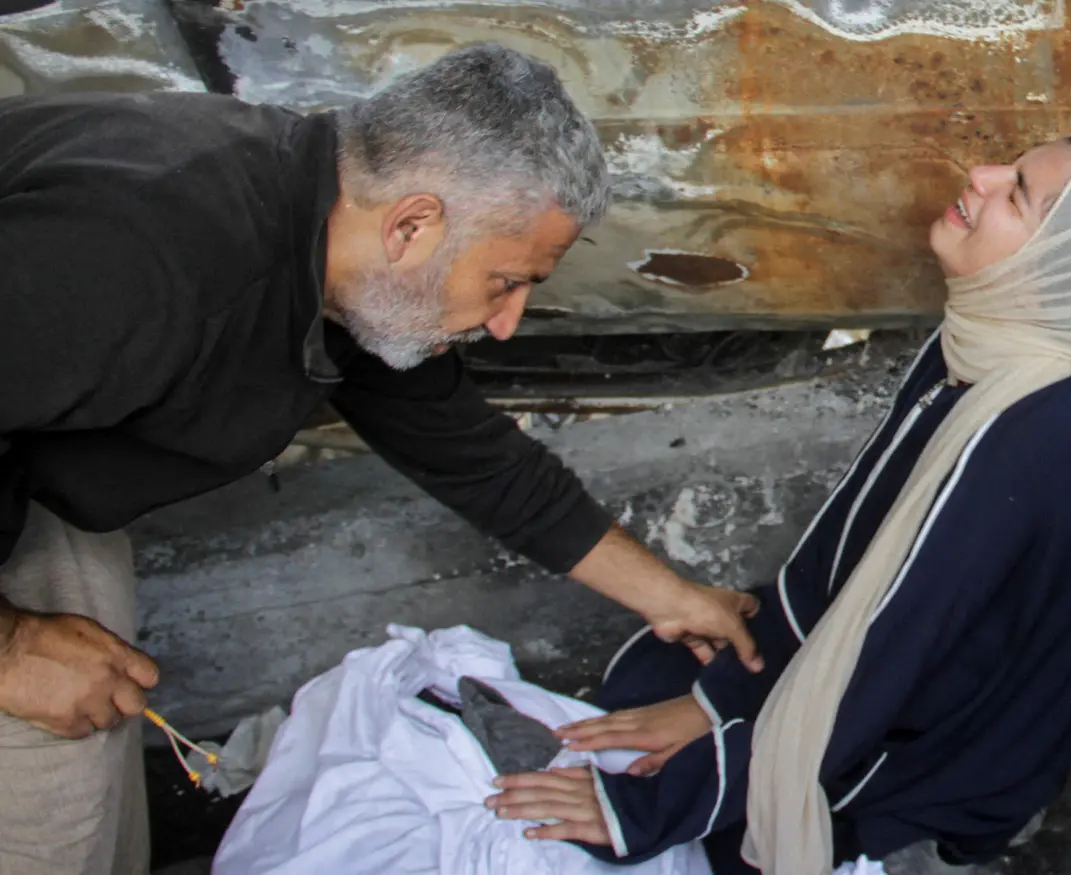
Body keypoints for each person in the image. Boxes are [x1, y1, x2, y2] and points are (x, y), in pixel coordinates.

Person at [0, 44, 761, 875]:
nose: (507, 321)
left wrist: (673, 596)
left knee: (95, 749)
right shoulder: (137, 259)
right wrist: (11, 649)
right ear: (413, 225)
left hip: (36, 476)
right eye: (506, 280)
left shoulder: (335, 243)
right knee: (47, 803)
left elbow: (469, 453)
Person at [487, 133, 1071, 874]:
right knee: (660, 688)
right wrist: (718, 700)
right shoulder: (985, 349)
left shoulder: (1030, 434)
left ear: (1061, 272)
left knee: (704, 824)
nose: (980, 174)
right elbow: (848, 556)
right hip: (911, 672)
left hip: (944, 737)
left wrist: (651, 806)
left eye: (1016, 193)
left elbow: (885, 661)